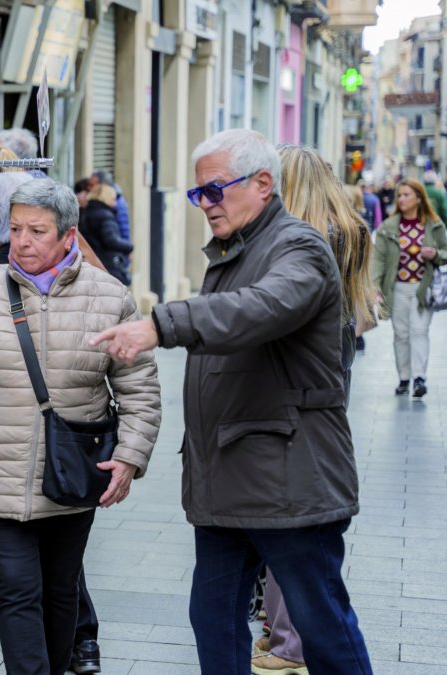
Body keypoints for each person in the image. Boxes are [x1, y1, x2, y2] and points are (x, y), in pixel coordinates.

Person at [91, 128, 373, 674]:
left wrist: (161, 324)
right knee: (212, 616)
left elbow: (259, 309)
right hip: (229, 473)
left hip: (287, 477)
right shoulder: (236, 248)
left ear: (263, 183)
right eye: (198, 194)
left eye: (213, 191)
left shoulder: (298, 246)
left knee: (321, 622)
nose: (203, 205)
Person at [0, 178, 163, 675]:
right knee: (18, 592)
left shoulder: (110, 297)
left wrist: (130, 456)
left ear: (68, 236)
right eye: (15, 229)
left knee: (60, 592)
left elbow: (139, 387)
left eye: (37, 230)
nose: (23, 241)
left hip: (73, 475)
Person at [250, 145, 375, 675]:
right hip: (332, 379)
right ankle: (285, 634)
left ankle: (287, 641)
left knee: (290, 523)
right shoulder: (350, 231)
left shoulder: (301, 242)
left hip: (296, 390)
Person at [372, 179, 447, 399]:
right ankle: (404, 378)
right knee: (401, 334)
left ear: (419, 198)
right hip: (397, 289)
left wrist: (436, 254)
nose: (401, 199)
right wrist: (374, 286)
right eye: (399, 195)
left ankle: (419, 378)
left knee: (419, 331)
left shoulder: (434, 225)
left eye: (406, 195)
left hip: (424, 289)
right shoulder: (389, 226)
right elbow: (379, 259)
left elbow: (446, 251)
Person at [81, 184, 134, 285]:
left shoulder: (84, 213)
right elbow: (111, 240)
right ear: (107, 198)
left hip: (90, 262)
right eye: (113, 199)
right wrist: (129, 247)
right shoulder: (105, 215)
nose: (115, 203)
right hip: (108, 263)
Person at [90, 171, 131, 243]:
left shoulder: (117, 202)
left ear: (104, 185)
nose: (89, 188)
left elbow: (123, 229)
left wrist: (125, 249)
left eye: (92, 185)